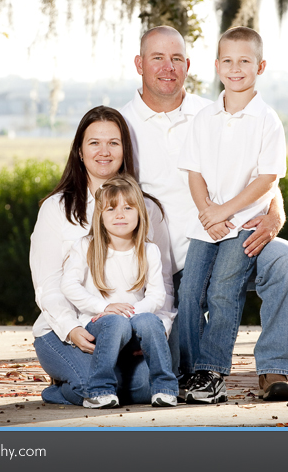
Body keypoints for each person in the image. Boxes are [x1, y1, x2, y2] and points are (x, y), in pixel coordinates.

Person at [119, 25, 288, 402]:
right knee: (149, 374)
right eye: (157, 58)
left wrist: (274, 215)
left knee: (285, 257)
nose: (167, 68)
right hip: (166, 262)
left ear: (189, 65)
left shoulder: (213, 109)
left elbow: (267, 176)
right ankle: (196, 372)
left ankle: (274, 370)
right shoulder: (121, 126)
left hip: (234, 233)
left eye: (176, 59)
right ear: (139, 64)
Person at [30, 106, 175, 406]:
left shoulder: (147, 209)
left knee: (148, 387)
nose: (104, 151)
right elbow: (47, 284)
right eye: (94, 142)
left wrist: (151, 332)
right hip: (66, 331)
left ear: (125, 150)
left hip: (128, 335)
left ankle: (101, 381)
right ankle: (61, 386)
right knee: (90, 384)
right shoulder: (56, 209)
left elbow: (164, 285)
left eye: (114, 142)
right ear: (80, 151)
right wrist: (71, 329)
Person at [177, 26, 287, 404]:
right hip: (206, 222)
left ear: (261, 66)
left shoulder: (267, 120)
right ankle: (187, 371)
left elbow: (268, 178)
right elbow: (193, 172)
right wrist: (207, 211)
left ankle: (212, 373)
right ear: (216, 65)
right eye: (228, 60)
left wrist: (226, 211)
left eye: (245, 61)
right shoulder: (205, 117)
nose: (235, 68)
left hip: (243, 223)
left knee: (224, 290)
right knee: (190, 292)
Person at [61, 174, 178, 408]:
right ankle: (99, 390)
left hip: (135, 322)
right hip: (99, 323)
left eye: (128, 207)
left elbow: (156, 297)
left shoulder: (149, 251)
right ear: (100, 216)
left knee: (150, 322)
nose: (120, 215)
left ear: (140, 213)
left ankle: (165, 388)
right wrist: (105, 308)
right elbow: (69, 286)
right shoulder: (86, 246)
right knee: (115, 323)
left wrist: (130, 312)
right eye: (111, 209)